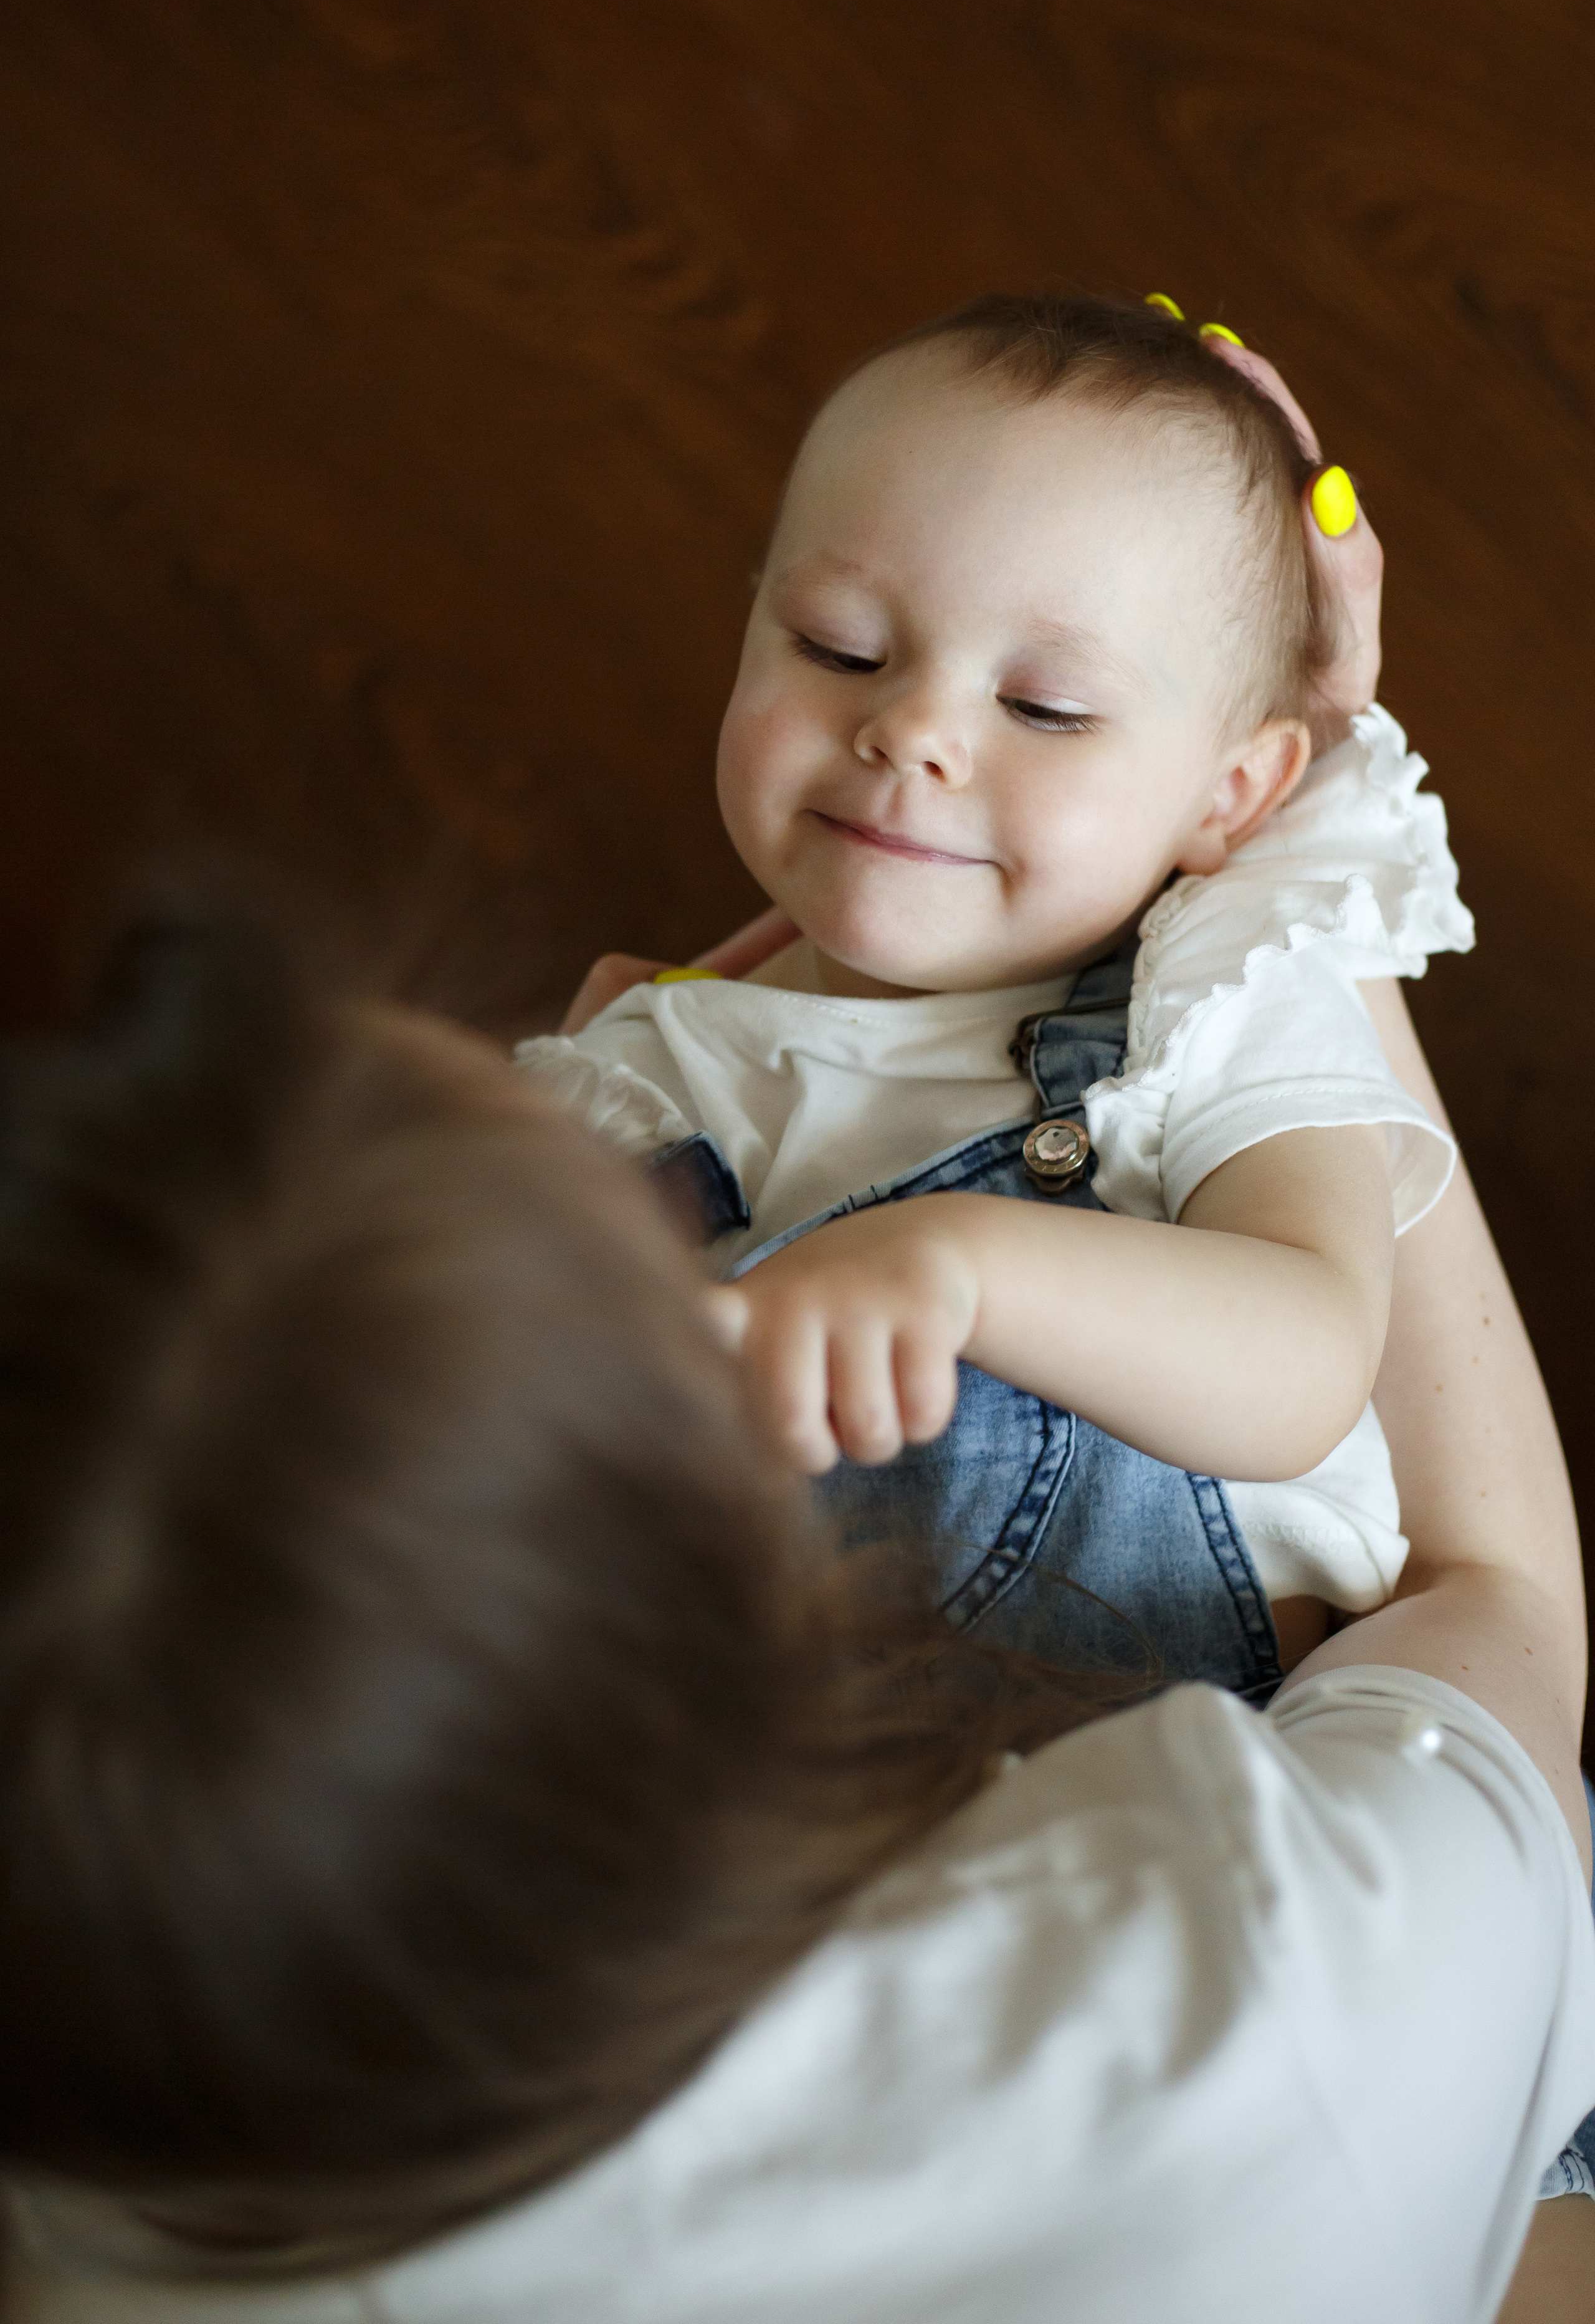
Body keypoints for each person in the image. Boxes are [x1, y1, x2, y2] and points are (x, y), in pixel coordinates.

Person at [0, 873, 1591, 2323]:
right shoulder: (1257, 1969)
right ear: (749, 1536)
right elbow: (1486, 1589)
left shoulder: (89, 2176)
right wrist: (1288, 907)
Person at [517, 290, 1474, 1693]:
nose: (908, 729)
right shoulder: (651, 1057)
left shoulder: (1208, 1006)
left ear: (1228, 793)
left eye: (1044, 709)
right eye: (840, 646)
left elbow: (1308, 1348)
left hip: (1144, 1792)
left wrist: (959, 1265)